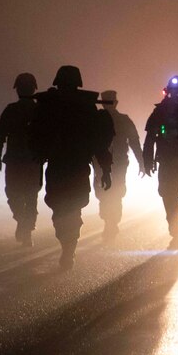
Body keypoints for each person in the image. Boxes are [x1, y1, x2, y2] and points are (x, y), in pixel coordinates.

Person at [30, 65, 114, 269]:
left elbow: (98, 141)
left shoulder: (54, 106)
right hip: (69, 166)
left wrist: (106, 168)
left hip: (67, 166)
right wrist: (105, 169)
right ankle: (68, 246)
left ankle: (68, 248)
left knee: (67, 209)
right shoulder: (75, 107)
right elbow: (99, 143)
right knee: (64, 209)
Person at [143, 76, 178, 249]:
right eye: (174, 92)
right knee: (169, 196)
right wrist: (147, 160)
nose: (177, 95)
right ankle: (175, 231)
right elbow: (150, 137)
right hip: (167, 162)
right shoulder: (160, 111)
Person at [0, 72, 42, 247]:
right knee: (26, 196)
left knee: (20, 195)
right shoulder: (38, 109)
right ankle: (25, 226)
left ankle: (25, 227)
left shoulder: (18, 110)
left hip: (22, 161)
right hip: (27, 161)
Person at [94, 89, 147, 245]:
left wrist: (142, 162)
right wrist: (142, 162)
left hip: (117, 163)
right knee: (105, 192)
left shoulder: (120, 120)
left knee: (113, 192)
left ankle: (111, 222)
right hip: (104, 163)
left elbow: (134, 142)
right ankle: (109, 221)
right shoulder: (100, 120)